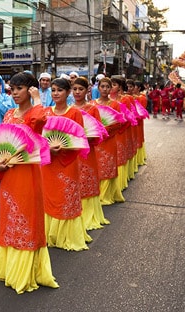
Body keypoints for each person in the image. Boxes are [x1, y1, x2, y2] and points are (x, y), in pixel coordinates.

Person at [0, 71, 59, 294]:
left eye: (20, 89)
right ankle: (6, 267)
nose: (15, 93)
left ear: (31, 89)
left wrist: (37, 100)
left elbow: (40, 122)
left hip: (28, 173)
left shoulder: (37, 112)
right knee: (10, 218)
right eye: (12, 89)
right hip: (10, 174)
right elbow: (1, 144)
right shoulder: (8, 114)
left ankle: (26, 270)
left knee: (27, 216)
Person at [42, 77, 91, 251]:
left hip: (68, 161)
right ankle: (50, 234)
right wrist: (48, 148)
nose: (56, 93)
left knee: (67, 196)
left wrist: (62, 149)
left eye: (60, 90)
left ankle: (68, 236)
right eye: (53, 90)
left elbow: (79, 140)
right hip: (49, 162)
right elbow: (40, 138)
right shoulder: (46, 112)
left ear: (68, 92)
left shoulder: (75, 113)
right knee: (50, 196)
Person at [72, 77, 109, 231]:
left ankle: (89, 215)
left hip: (87, 152)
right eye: (74, 89)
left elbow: (99, 133)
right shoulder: (69, 109)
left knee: (87, 180)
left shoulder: (92, 109)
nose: (77, 92)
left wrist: (85, 138)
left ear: (87, 90)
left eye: (81, 89)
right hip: (72, 153)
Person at [92, 77, 125, 205]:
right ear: (98, 88)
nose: (105, 89)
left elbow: (118, 123)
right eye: (102, 86)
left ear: (111, 89)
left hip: (109, 139)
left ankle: (106, 194)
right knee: (98, 166)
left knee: (108, 165)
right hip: (97, 141)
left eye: (107, 87)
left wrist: (106, 131)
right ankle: (97, 193)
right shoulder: (92, 104)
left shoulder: (115, 104)